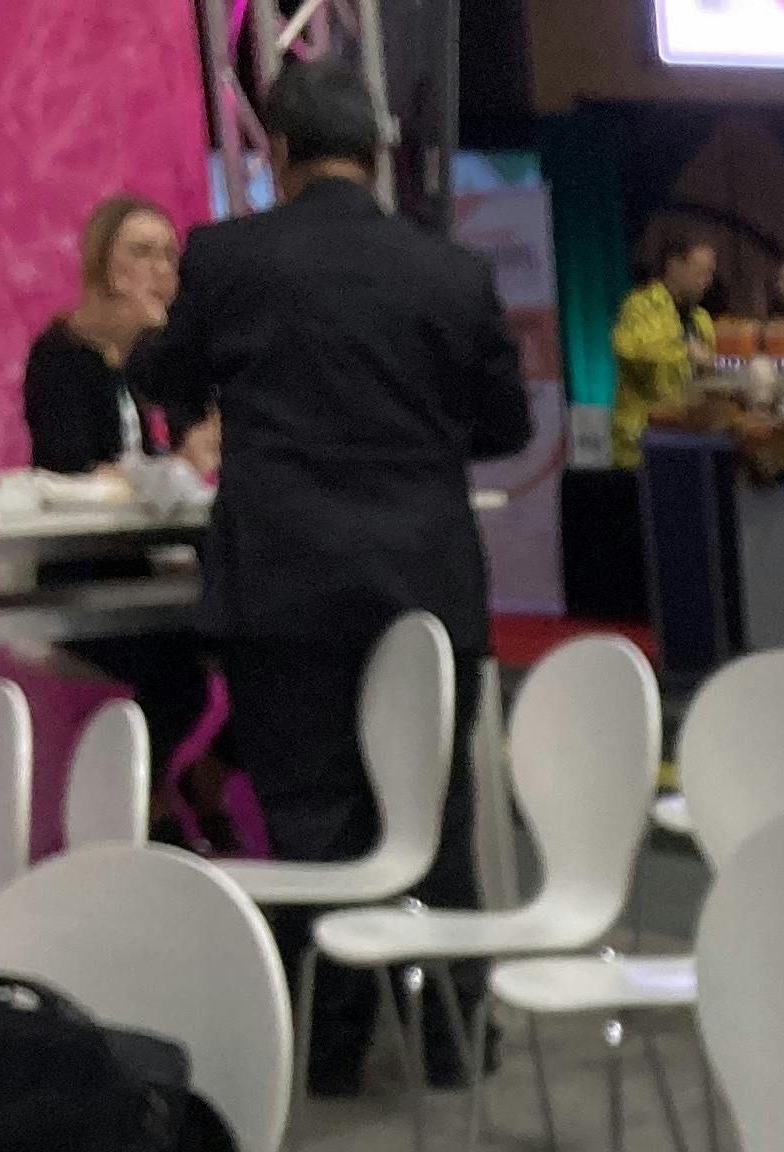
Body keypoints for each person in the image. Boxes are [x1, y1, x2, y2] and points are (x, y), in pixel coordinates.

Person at [134, 60, 530, 1093]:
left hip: (287, 579)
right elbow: (505, 426)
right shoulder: (451, 273)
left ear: (278, 152)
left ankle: (333, 1047)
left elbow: (167, 381)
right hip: (426, 584)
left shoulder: (227, 258)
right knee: (434, 818)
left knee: (310, 819)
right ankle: (452, 1039)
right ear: (379, 151)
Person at [23, 192, 228, 841]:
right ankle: (151, 805)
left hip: (164, 570)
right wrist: (178, 464)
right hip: (90, 576)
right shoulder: (60, 357)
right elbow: (72, 470)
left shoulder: (162, 361)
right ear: (105, 266)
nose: (160, 269)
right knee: (178, 675)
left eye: (169, 255)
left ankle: (206, 774)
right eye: (141, 252)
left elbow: (191, 456)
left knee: (269, 638)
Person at [608, 221, 714, 467]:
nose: (707, 281)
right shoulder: (639, 307)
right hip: (641, 447)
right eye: (701, 272)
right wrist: (685, 352)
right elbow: (633, 352)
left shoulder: (702, 320)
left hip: (688, 443)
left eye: (710, 273)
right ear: (674, 265)